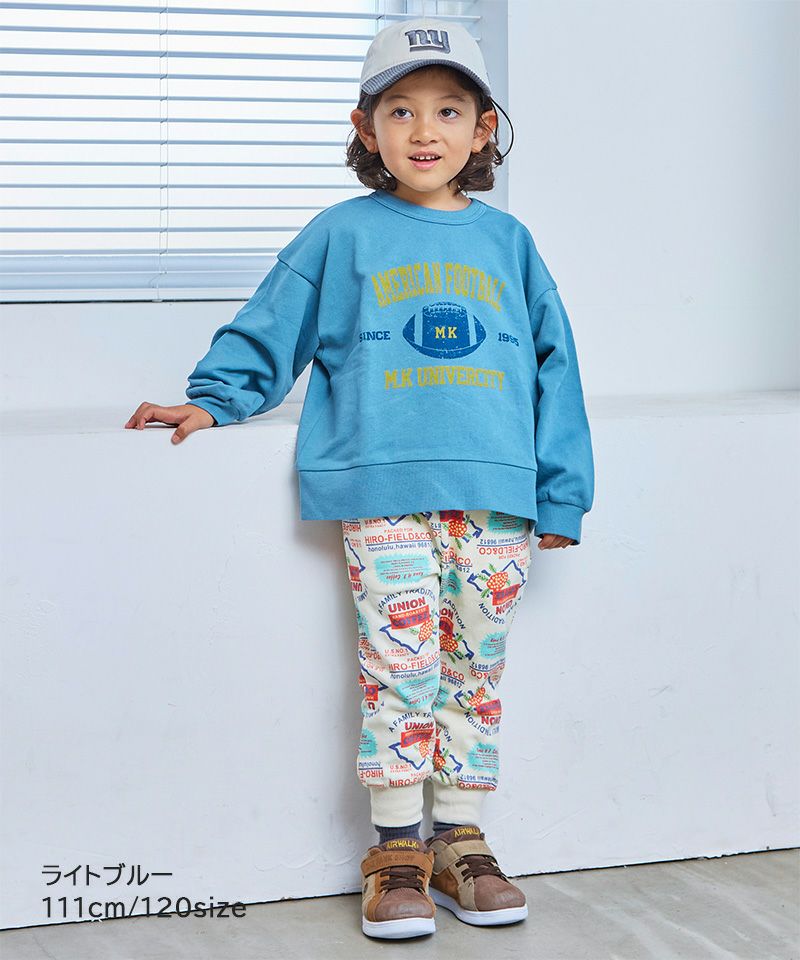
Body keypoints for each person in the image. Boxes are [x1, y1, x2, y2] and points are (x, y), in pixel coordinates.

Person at [124, 15, 595, 942]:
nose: (424, 130)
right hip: (380, 489)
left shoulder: (510, 243)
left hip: (498, 495)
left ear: (483, 129)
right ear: (365, 127)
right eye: (401, 110)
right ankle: (397, 854)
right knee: (401, 667)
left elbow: (557, 368)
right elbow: (275, 324)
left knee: (476, 668)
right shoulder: (341, 235)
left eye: (449, 110)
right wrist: (214, 399)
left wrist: (562, 489)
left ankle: (462, 842)